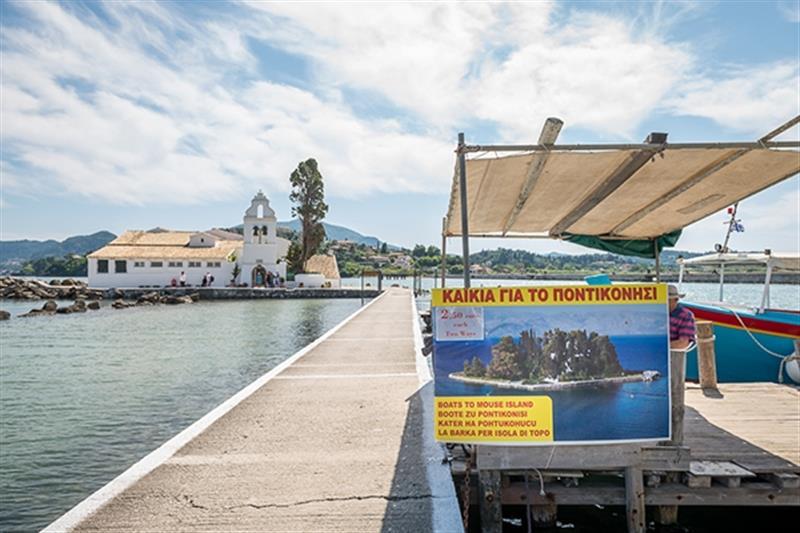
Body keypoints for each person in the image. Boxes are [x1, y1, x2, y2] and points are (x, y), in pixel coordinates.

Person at [668, 284, 695, 350]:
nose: (664, 303)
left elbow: (683, 343)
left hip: (675, 355)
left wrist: (659, 347)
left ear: (676, 300)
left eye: (668, 300)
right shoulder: (659, 314)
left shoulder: (685, 315)